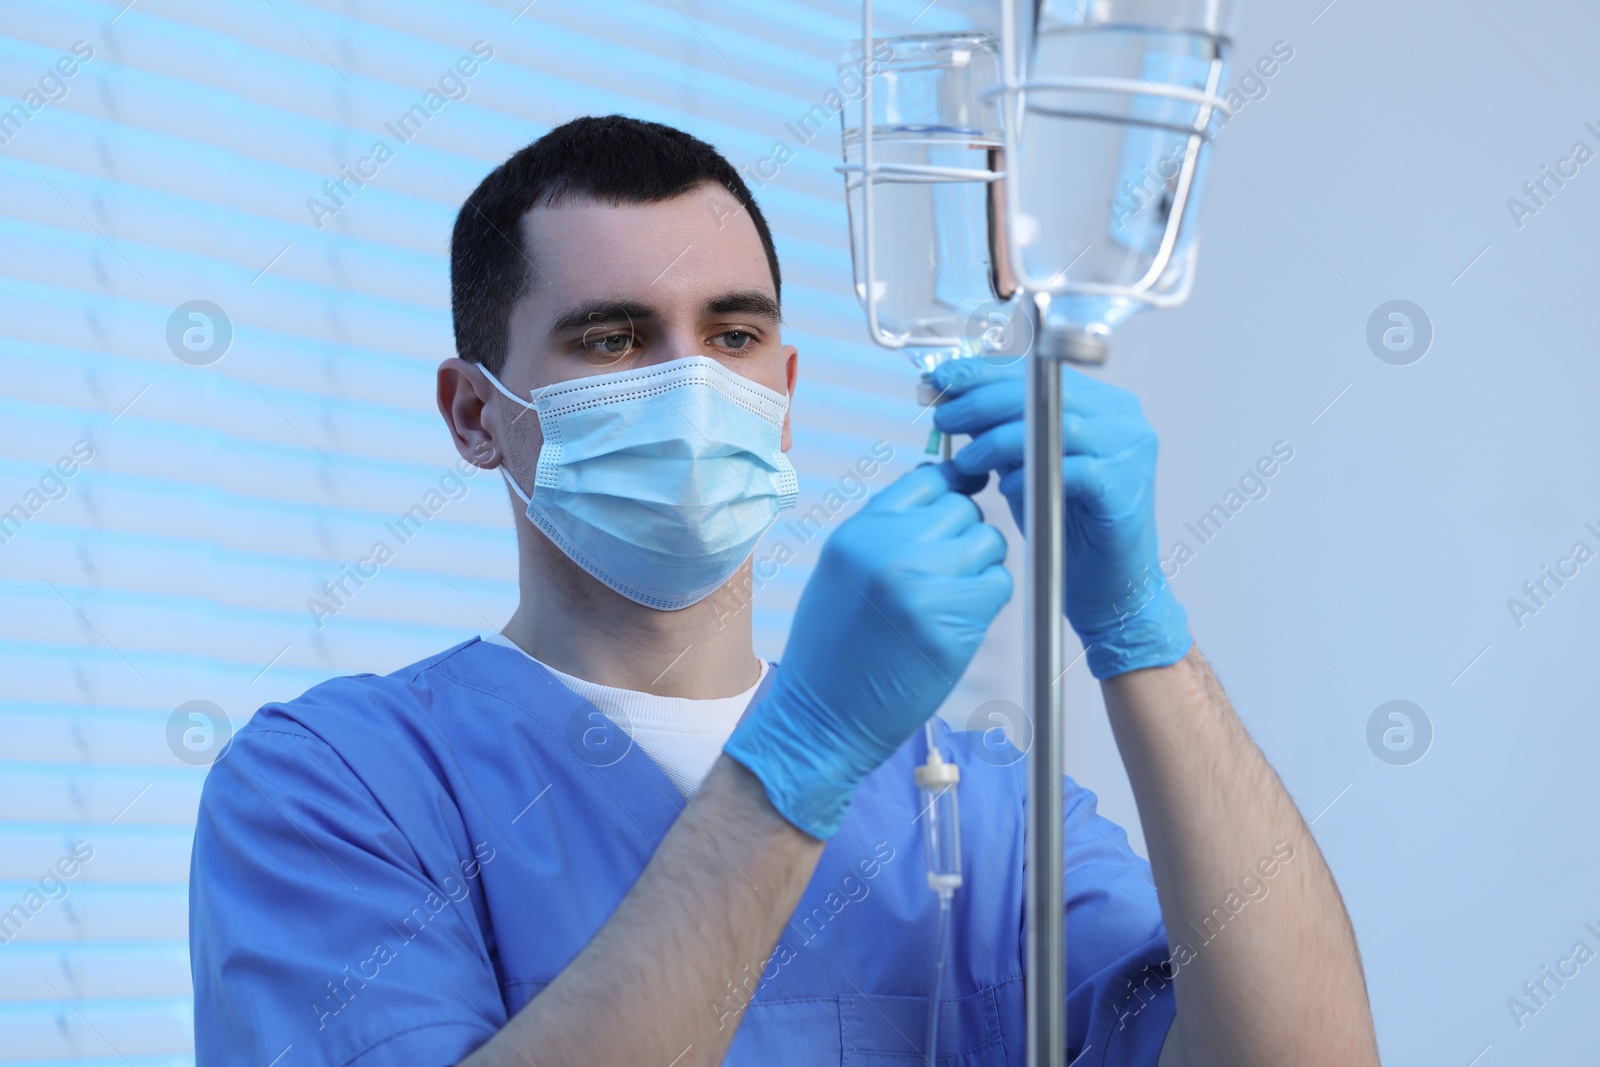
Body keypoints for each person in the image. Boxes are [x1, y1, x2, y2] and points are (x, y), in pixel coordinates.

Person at [188, 115, 1381, 1067]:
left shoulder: (976, 804)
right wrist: (802, 750)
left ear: (787, 383)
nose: (692, 384)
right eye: (611, 338)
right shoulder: (333, 787)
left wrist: (1137, 631)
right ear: (473, 413)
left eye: (734, 334)